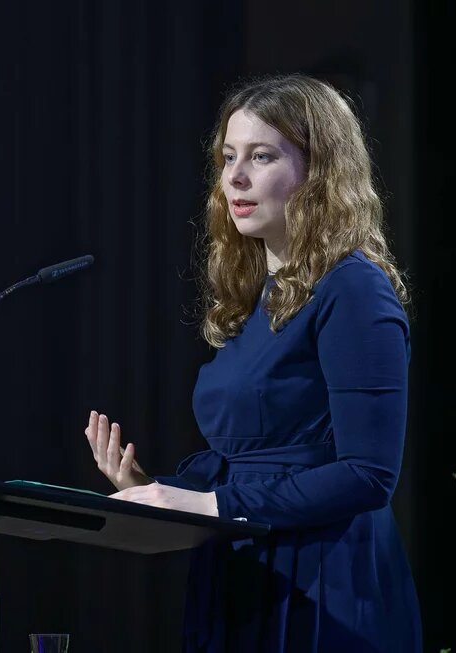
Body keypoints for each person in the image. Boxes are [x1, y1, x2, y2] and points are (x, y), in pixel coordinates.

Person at [83, 74, 421, 652]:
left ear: (320, 171)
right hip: (245, 571)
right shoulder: (256, 294)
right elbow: (250, 459)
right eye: (228, 157)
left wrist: (210, 504)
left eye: (261, 157)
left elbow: (369, 474)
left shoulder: (353, 291)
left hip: (324, 583)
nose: (235, 177)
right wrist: (157, 492)